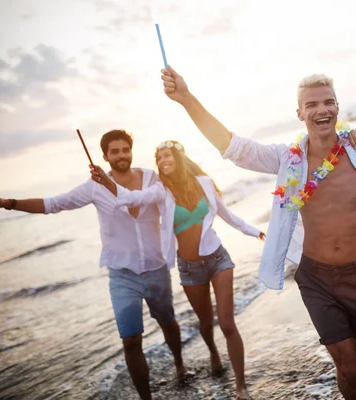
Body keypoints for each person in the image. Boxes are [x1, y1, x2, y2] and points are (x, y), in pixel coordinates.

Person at [155, 66, 356, 400]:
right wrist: (186, 99)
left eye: (328, 102)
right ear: (300, 113)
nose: (321, 110)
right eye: (311, 105)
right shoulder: (288, 159)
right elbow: (233, 147)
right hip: (316, 278)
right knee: (347, 367)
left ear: (338, 108)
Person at [0, 130, 187, 400]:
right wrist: (8, 203)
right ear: (105, 156)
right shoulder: (94, 187)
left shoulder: (152, 178)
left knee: (168, 322)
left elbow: (136, 206)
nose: (121, 155)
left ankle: (180, 365)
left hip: (156, 268)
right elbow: (54, 203)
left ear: (131, 151)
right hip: (122, 275)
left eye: (125, 149)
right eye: (115, 151)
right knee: (131, 339)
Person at [90, 139, 265, 400]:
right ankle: (213, 353)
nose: (162, 160)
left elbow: (228, 215)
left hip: (217, 257)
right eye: (158, 157)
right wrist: (107, 182)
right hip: (189, 267)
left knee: (227, 323)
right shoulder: (161, 192)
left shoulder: (204, 183)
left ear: (179, 157)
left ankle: (241, 388)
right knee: (206, 323)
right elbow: (131, 197)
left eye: (167, 155)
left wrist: (257, 231)